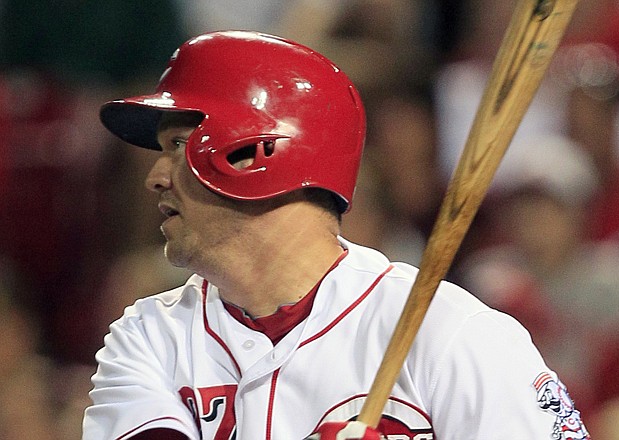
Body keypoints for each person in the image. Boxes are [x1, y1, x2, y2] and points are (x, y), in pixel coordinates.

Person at [82, 30, 590, 439]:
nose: (155, 175)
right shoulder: (147, 340)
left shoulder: (453, 336)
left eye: (177, 145)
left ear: (256, 152)